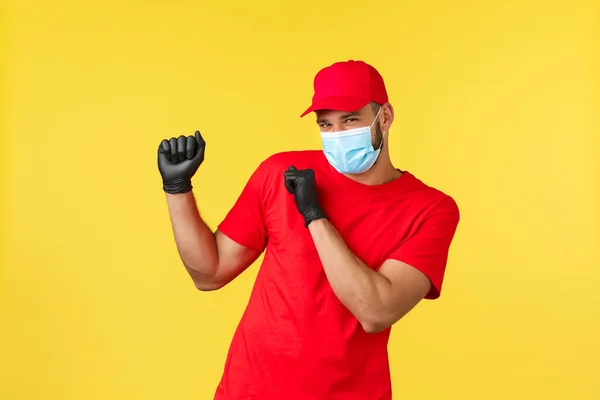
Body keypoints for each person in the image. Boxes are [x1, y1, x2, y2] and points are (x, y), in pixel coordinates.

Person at [157, 60, 460, 400]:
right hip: (249, 390)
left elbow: (376, 311)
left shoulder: (431, 209)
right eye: (325, 124)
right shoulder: (280, 172)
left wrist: (315, 216)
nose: (337, 135)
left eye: (350, 120)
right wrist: (177, 187)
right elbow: (209, 274)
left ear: (385, 117)